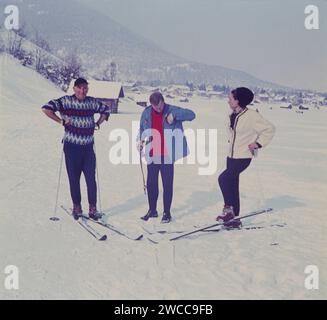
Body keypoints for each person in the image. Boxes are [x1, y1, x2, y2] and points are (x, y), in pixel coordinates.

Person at [41, 78, 110, 220]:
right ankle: (77, 207)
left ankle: (93, 208)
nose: (82, 91)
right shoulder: (65, 101)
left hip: (88, 148)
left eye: (85, 88)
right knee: (74, 179)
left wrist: (98, 123)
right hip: (72, 148)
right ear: (74, 88)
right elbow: (46, 108)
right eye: (79, 88)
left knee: (91, 179)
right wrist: (60, 121)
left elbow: (106, 110)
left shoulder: (91, 102)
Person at [217, 87, 275, 228]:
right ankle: (234, 219)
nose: (228, 100)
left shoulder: (252, 116)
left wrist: (258, 143)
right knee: (232, 185)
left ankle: (228, 210)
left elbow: (270, 129)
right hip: (231, 156)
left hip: (243, 157)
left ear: (238, 101)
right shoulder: (233, 114)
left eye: (231, 98)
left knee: (223, 179)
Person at [138, 92, 196, 223]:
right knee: (151, 184)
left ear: (163, 101)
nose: (158, 109)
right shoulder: (147, 112)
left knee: (167, 185)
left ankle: (167, 213)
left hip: (167, 155)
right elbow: (141, 128)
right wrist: (140, 141)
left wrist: (174, 115)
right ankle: (152, 210)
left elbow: (192, 115)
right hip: (152, 154)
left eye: (159, 106)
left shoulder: (172, 110)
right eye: (155, 107)